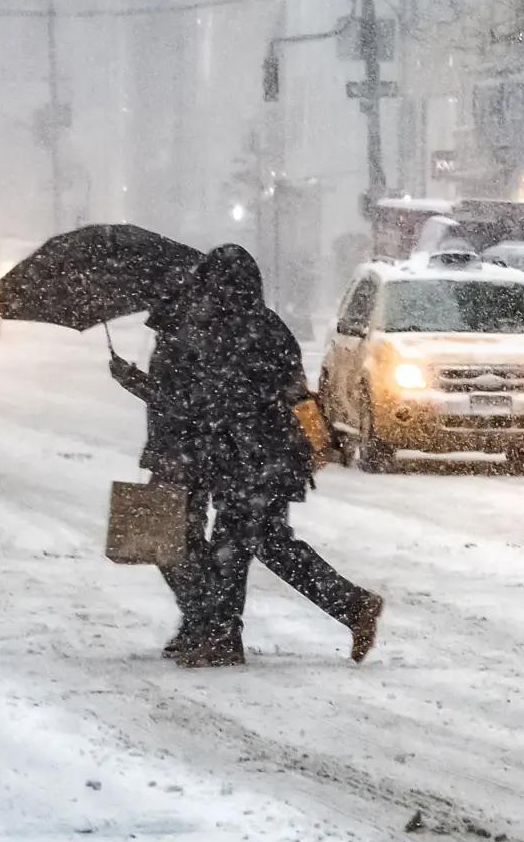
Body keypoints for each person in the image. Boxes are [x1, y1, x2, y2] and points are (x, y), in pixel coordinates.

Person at [112, 245, 383, 668]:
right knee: (260, 544)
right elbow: (271, 394)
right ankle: (349, 606)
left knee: (232, 547)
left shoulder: (228, 331)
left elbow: (207, 401)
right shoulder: (261, 327)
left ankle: (219, 634)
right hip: (263, 459)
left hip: (254, 460)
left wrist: (144, 387)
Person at [113, 288, 213, 657]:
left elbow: (180, 403)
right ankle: (202, 618)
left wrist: (134, 381)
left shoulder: (181, 344)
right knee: (181, 541)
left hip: (182, 457)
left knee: (169, 542)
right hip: (182, 455)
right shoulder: (177, 339)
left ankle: (203, 618)